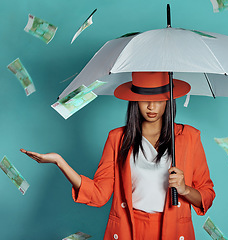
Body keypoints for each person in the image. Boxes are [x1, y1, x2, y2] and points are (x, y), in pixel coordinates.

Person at [21, 72, 215, 240]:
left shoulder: (189, 137)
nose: (151, 106)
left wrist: (184, 189)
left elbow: (206, 195)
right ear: (134, 99)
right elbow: (98, 195)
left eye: (158, 98)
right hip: (128, 229)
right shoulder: (117, 138)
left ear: (169, 99)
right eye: (144, 98)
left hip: (172, 229)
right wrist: (59, 162)